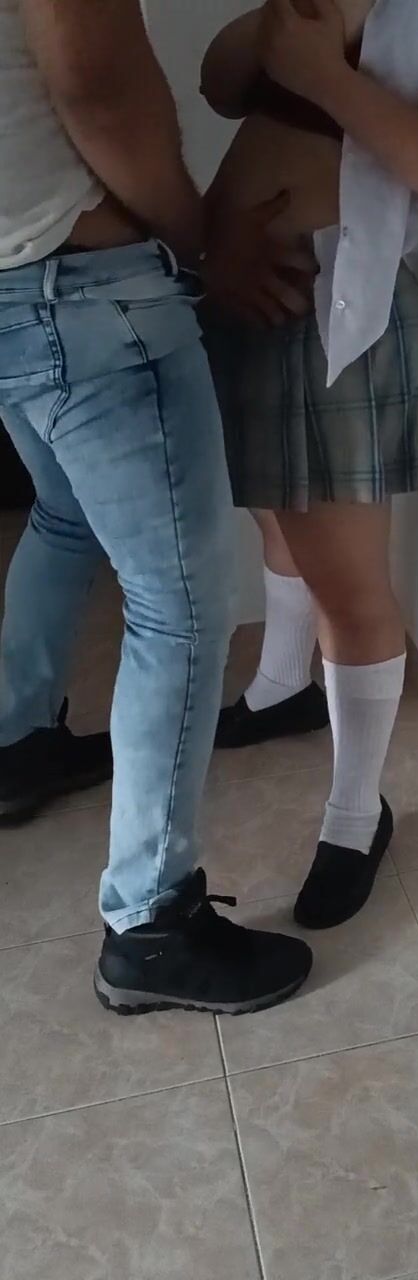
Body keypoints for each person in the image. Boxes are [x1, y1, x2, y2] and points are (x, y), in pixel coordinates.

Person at [0, 0, 314, 1014]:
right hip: (83, 291)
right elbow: (95, 81)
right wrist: (201, 241)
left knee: (63, 514)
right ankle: (150, 923)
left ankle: (15, 743)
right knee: (179, 608)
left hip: (17, 289)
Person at [201, 0, 418, 930]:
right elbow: (220, 83)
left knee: (348, 588)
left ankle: (356, 817)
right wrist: (284, 35)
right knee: (280, 521)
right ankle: (281, 686)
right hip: (245, 295)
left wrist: (320, 73)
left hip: (330, 309)